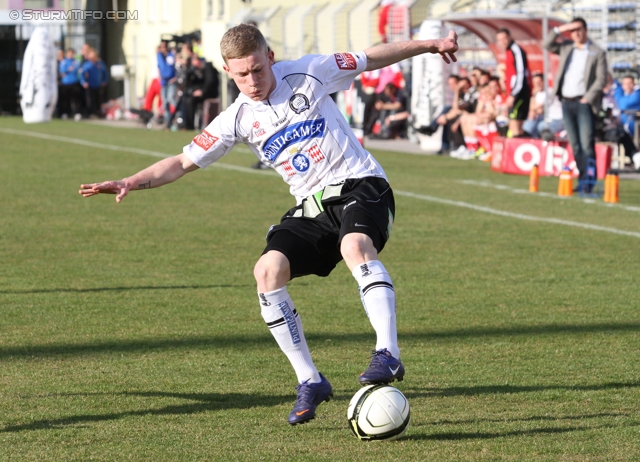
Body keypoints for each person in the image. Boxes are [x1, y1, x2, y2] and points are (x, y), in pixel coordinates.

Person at [79, 23, 458, 426]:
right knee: (267, 271)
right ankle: (310, 380)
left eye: (257, 69)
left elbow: (370, 56)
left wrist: (429, 45)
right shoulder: (237, 118)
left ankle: (388, 353)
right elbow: (182, 162)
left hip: (362, 184)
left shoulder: (310, 71)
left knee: (354, 247)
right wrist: (130, 181)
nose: (252, 81)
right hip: (312, 206)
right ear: (227, 72)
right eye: (241, 74)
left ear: (269, 56)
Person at [544, 18, 607, 191]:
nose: (576, 33)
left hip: (583, 103)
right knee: (576, 145)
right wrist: (562, 28)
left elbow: (601, 78)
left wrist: (588, 97)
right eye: (573, 30)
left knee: (586, 144)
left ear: (586, 30)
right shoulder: (566, 47)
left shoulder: (597, 52)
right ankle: (582, 179)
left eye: (579, 29)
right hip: (566, 101)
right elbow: (547, 44)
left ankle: (589, 182)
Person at [495, 28, 531, 137]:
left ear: (509, 37)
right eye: (500, 40)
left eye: (504, 38)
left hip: (520, 93)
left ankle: (521, 149)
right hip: (514, 93)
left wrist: (513, 95)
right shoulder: (509, 51)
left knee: (516, 126)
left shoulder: (516, 50)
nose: (503, 42)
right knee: (513, 125)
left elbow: (520, 73)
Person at [182, 54, 220, 130]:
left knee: (191, 100)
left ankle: (190, 126)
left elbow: (210, 82)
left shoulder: (207, 67)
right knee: (187, 99)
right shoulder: (195, 70)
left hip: (210, 93)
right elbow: (190, 83)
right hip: (202, 93)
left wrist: (202, 91)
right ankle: (188, 124)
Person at [79, 48, 109, 118]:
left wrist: (104, 81)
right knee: (90, 100)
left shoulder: (100, 64)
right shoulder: (87, 64)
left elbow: (105, 73)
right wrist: (84, 82)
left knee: (98, 100)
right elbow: (81, 74)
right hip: (90, 85)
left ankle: (98, 113)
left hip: (98, 85)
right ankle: (91, 113)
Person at [157, 40, 177, 130]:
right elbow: (158, 67)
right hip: (164, 81)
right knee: (165, 103)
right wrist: (159, 77)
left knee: (171, 99)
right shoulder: (159, 55)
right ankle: (168, 122)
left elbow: (174, 66)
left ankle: (177, 118)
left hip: (171, 81)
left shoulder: (171, 54)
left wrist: (175, 77)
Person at [58, 48, 82, 119]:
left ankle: (77, 113)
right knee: (66, 99)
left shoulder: (76, 62)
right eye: (69, 53)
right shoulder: (64, 62)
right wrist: (69, 69)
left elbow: (78, 71)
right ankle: (66, 113)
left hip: (74, 82)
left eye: (72, 53)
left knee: (76, 99)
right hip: (65, 83)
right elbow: (63, 72)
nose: (70, 54)